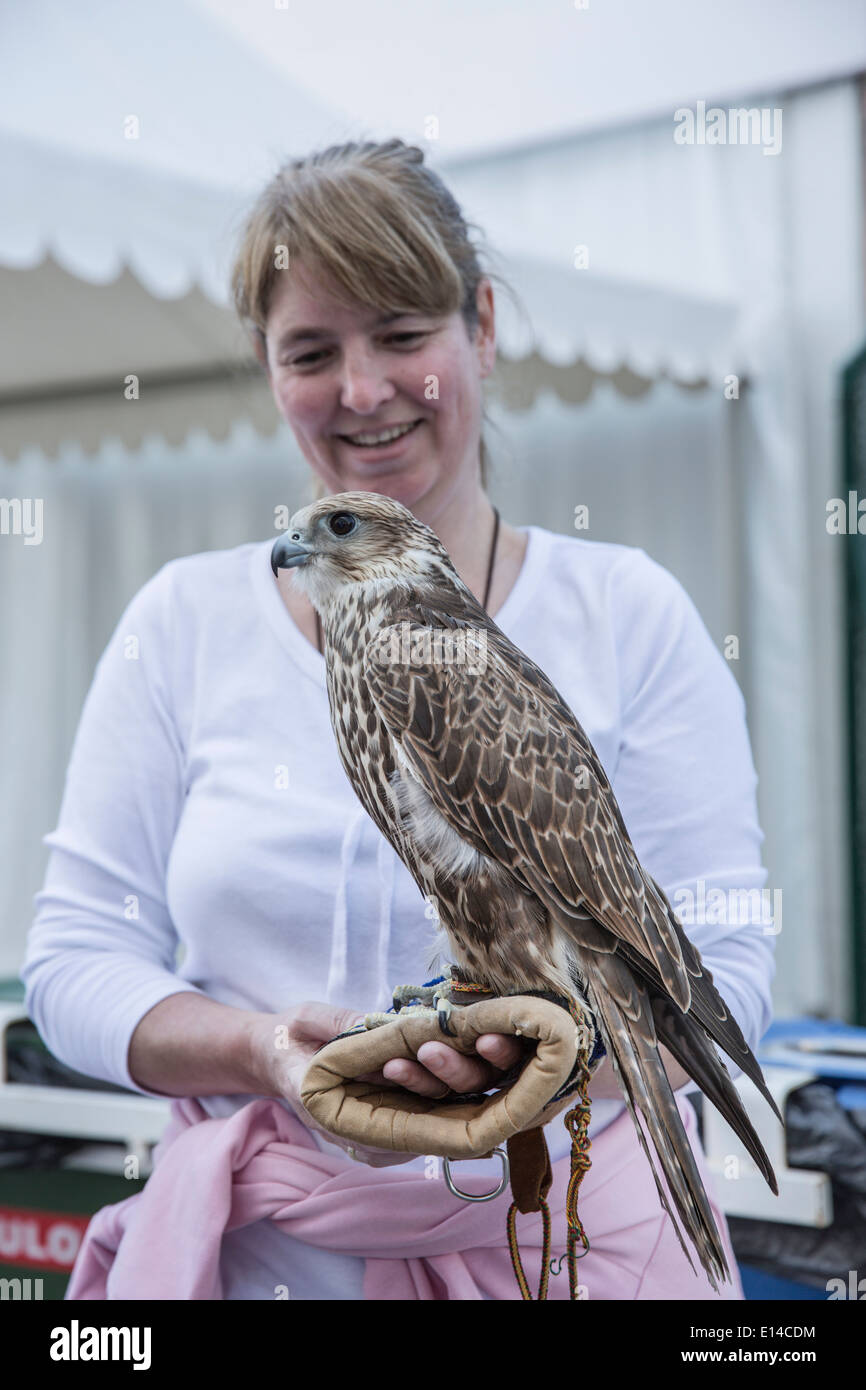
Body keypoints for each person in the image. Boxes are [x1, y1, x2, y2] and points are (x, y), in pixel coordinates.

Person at [22, 138, 775, 1301]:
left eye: (403, 337)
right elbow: (73, 962)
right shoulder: (181, 621)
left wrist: (534, 1072)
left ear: (480, 325)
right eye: (311, 351)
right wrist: (261, 1052)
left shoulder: (626, 614)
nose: (361, 390)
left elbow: (720, 948)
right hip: (270, 1261)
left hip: (574, 1247)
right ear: (267, 368)